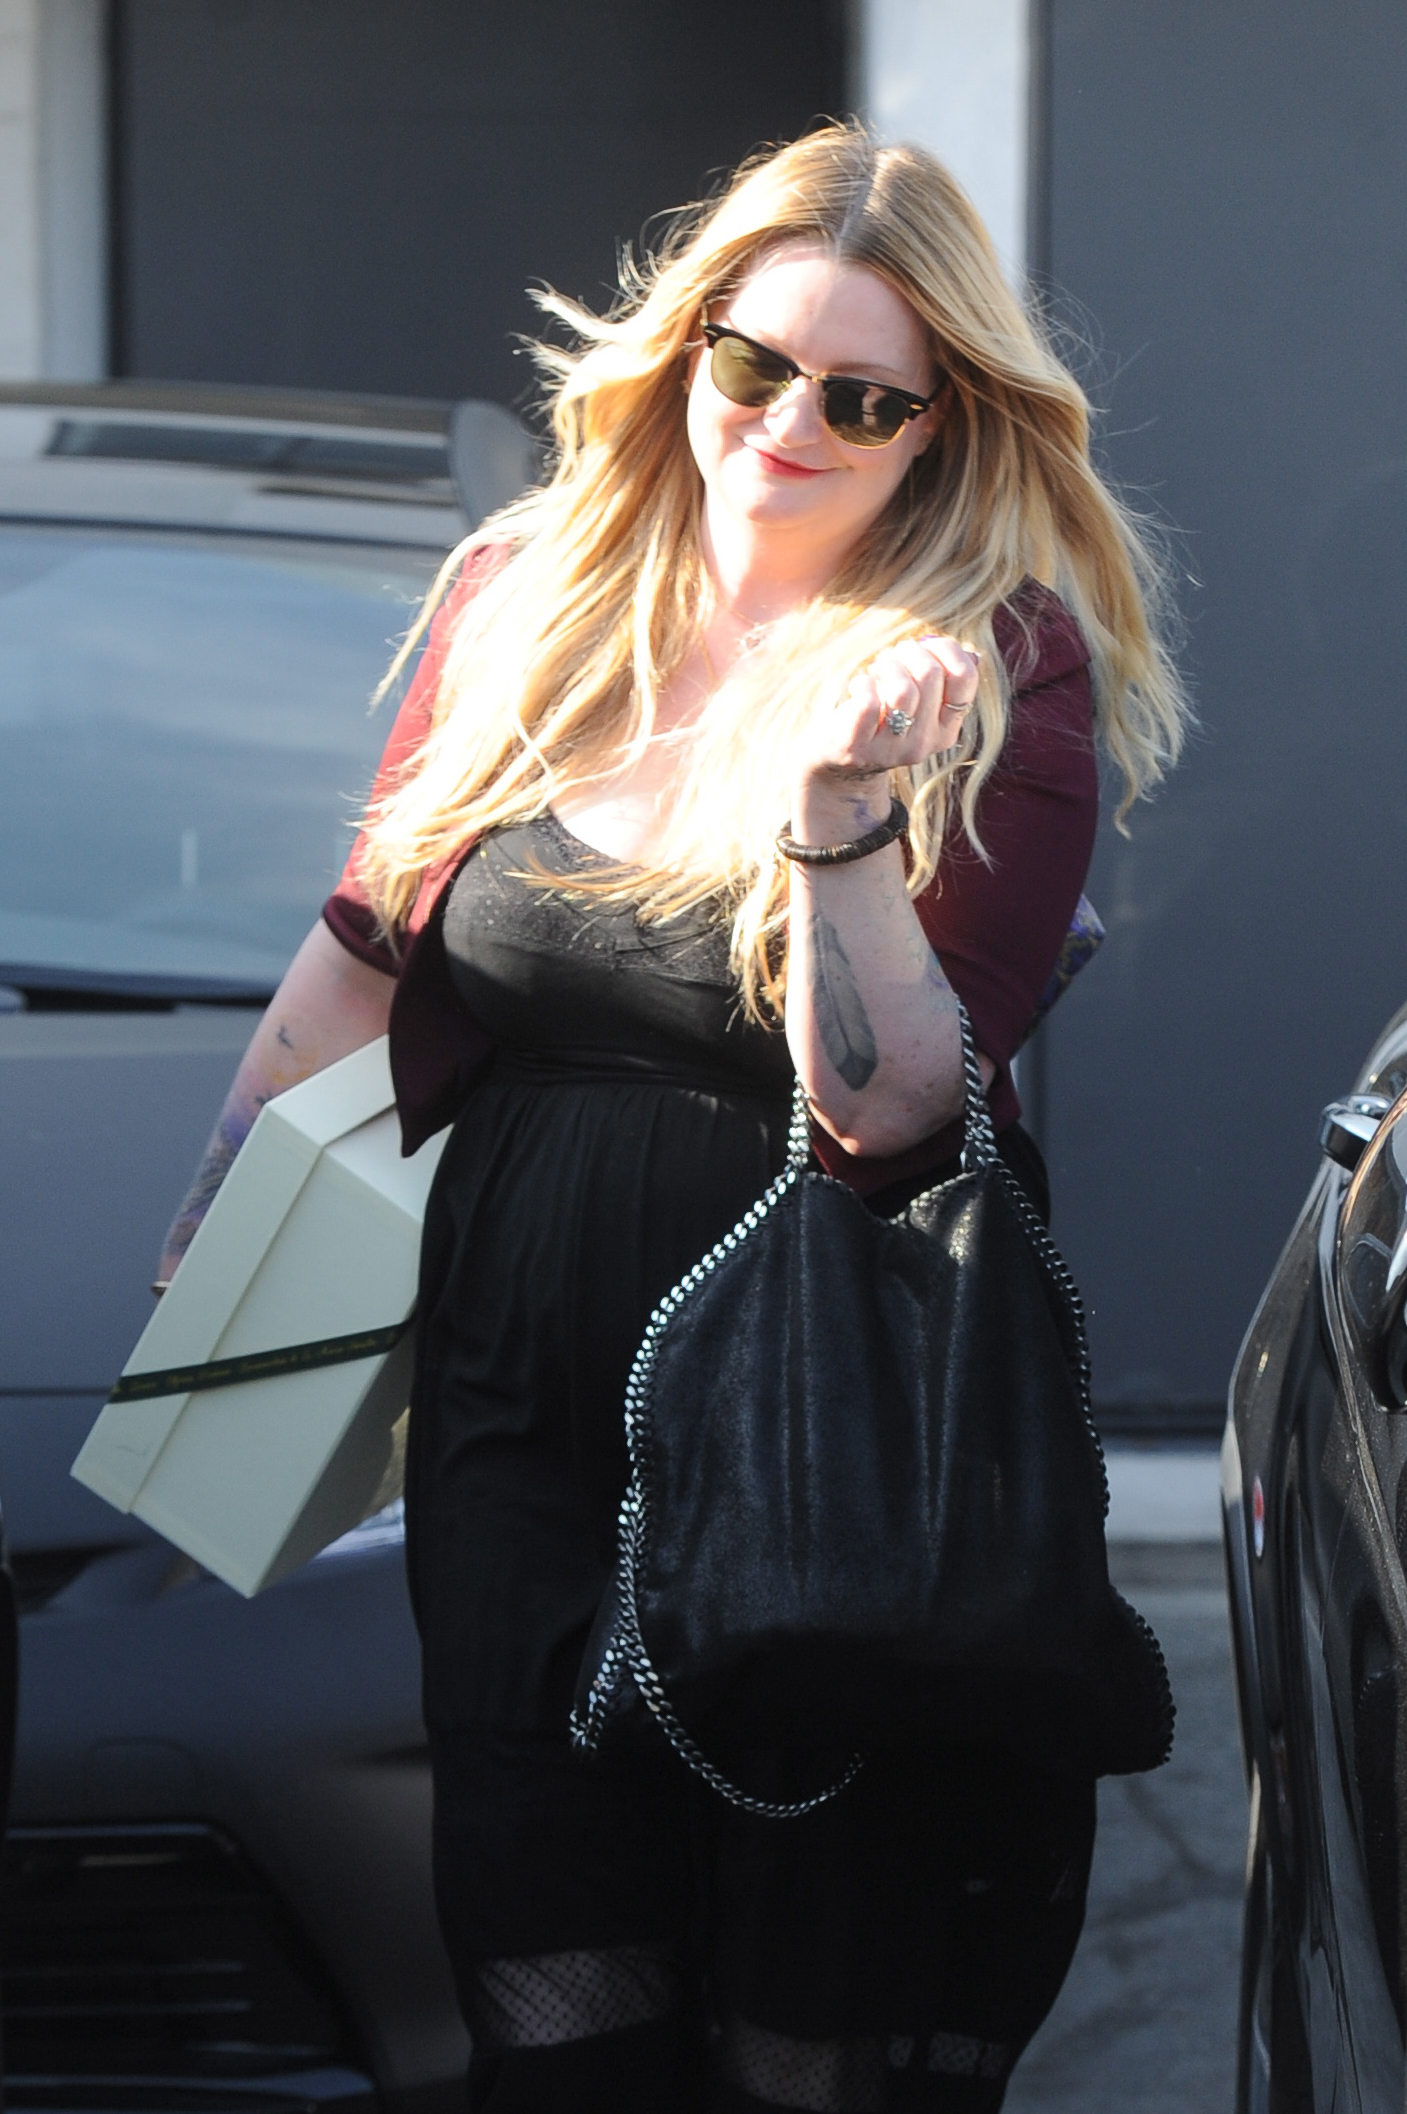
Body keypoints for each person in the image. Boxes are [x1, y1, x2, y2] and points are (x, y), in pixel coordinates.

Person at [159, 124, 1187, 2113]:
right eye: (754, 364)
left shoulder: (987, 670)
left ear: (940, 428)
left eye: (862, 397)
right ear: (685, 347)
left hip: (840, 1437)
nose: (789, 423)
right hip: (515, 1431)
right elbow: (360, 964)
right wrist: (220, 1320)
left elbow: (889, 1103)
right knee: (553, 2006)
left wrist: (835, 814)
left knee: (810, 2031)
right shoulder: (524, 602)